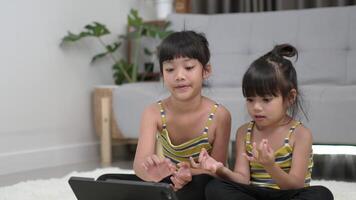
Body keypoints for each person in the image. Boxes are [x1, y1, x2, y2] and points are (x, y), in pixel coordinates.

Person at [190, 44, 334, 200]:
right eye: (250, 99)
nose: (256, 107)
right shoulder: (244, 132)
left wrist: (270, 165)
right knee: (214, 187)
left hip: (288, 194)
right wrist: (219, 169)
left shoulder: (300, 134)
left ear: (290, 97)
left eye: (266, 100)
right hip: (255, 194)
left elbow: (295, 186)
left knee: (322, 194)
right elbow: (243, 180)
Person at [108, 30, 231, 200]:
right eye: (170, 69)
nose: (179, 76)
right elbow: (139, 164)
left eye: (189, 67)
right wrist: (152, 174)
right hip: (170, 179)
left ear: (206, 70)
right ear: (162, 74)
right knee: (107, 181)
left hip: (202, 181)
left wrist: (189, 174)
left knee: (211, 188)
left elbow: (219, 171)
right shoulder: (153, 112)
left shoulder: (220, 115)